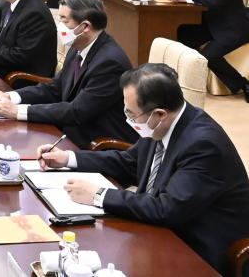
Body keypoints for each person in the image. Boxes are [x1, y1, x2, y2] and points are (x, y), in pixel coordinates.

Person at [38, 64, 249, 275]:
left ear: (159, 114)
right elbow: (128, 162)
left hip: (197, 249)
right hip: (158, 230)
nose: (129, 120)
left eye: (131, 114)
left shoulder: (203, 144)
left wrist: (99, 195)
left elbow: (167, 209)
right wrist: (68, 158)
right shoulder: (163, 124)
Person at [0, 0, 136, 148]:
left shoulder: (109, 62)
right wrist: (11, 96)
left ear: (85, 27)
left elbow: (77, 112)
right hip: (68, 132)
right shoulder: (79, 47)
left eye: (64, 20)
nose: (59, 25)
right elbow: (55, 88)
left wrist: (17, 111)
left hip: (95, 144)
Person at [166, 0, 249, 100]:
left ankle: (243, 84)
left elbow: (216, 1)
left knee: (209, 55)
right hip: (208, 23)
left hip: (231, 26)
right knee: (179, 36)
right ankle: (179, 83)